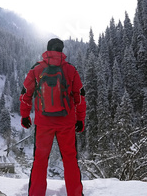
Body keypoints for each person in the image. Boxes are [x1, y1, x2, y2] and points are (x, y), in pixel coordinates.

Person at [20, 38, 86, 196]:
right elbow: (80, 97)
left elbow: (25, 94)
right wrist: (80, 119)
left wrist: (25, 115)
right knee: (70, 160)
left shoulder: (36, 69)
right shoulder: (71, 69)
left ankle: (36, 194)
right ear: (61, 51)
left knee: (40, 161)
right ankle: (75, 194)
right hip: (66, 123)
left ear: (48, 50)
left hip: (44, 124)